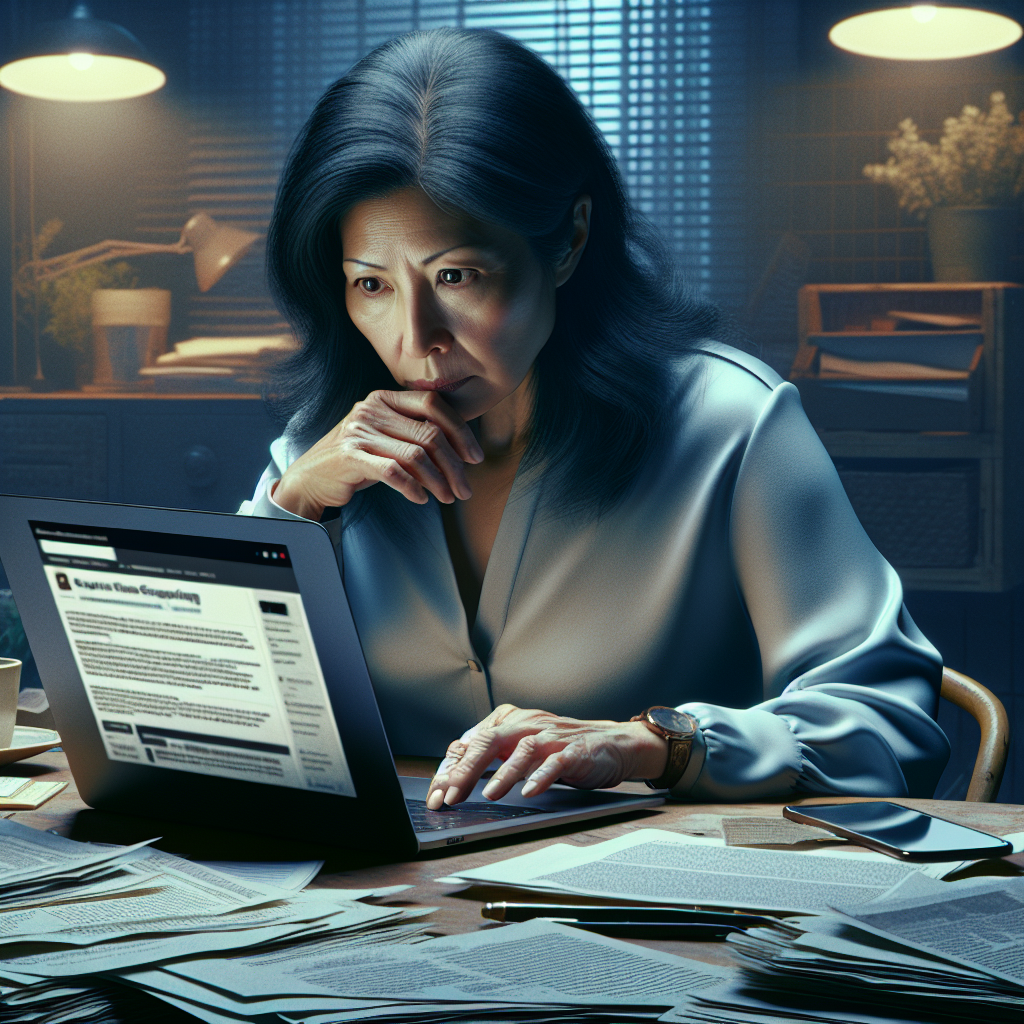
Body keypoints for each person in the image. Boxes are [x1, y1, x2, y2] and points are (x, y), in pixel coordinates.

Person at [239, 27, 950, 811]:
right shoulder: (328, 444)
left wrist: (649, 746)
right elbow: (214, 710)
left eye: (459, 275)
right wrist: (292, 507)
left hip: (666, 905)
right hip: (394, 904)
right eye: (371, 285)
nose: (417, 340)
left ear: (570, 240)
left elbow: (891, 725)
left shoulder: (729, 424)